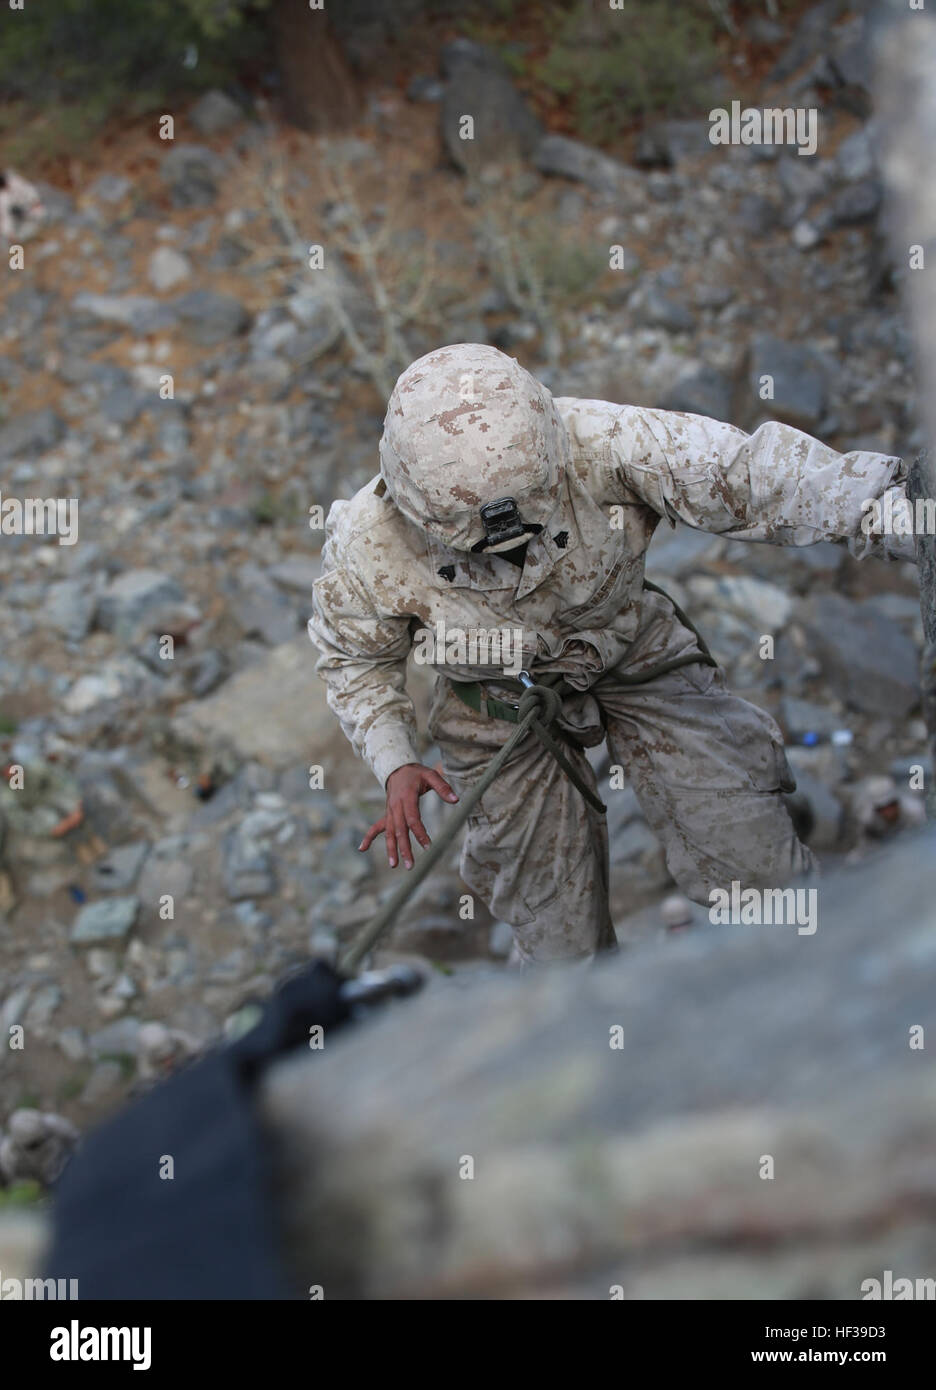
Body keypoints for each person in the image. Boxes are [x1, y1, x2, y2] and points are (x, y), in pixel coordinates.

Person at [309, 343, 916, 963]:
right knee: (555, 937)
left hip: (629, 646)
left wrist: (892, 512)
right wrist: (395, 759)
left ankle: (817, 988)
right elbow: (354, 661)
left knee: (756, 863)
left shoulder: (600, 441)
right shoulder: (369, 544)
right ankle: (588, 1033)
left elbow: (746, 475)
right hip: (494, 707)